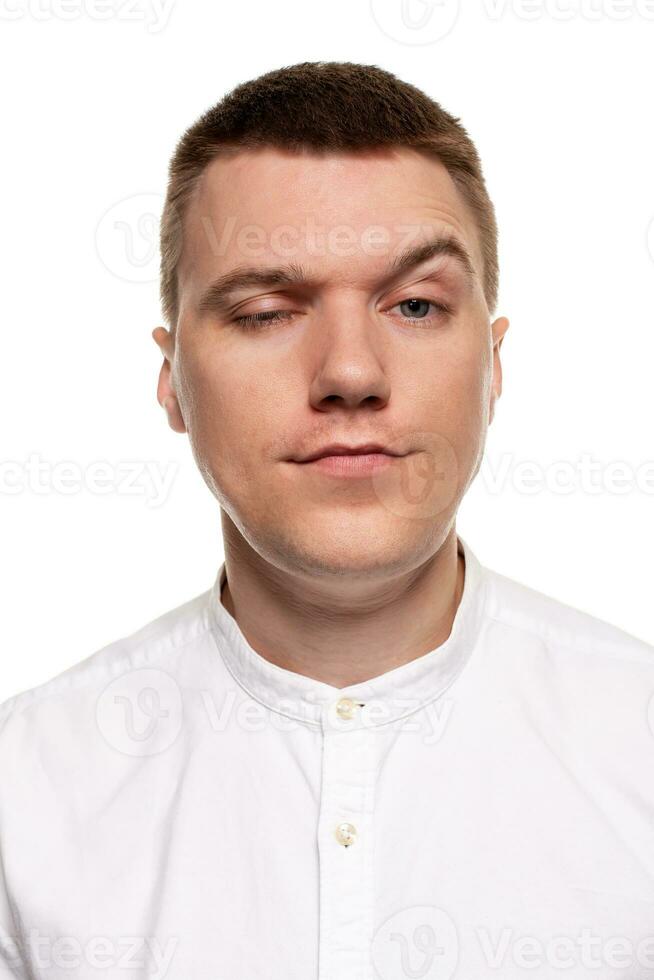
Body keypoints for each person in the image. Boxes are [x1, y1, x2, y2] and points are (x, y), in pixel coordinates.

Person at [1, 61, 653, 980]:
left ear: (494, 363)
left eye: (416, 305)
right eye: (267, 311)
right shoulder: (20, 802)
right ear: (171, 379)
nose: (350, 372)